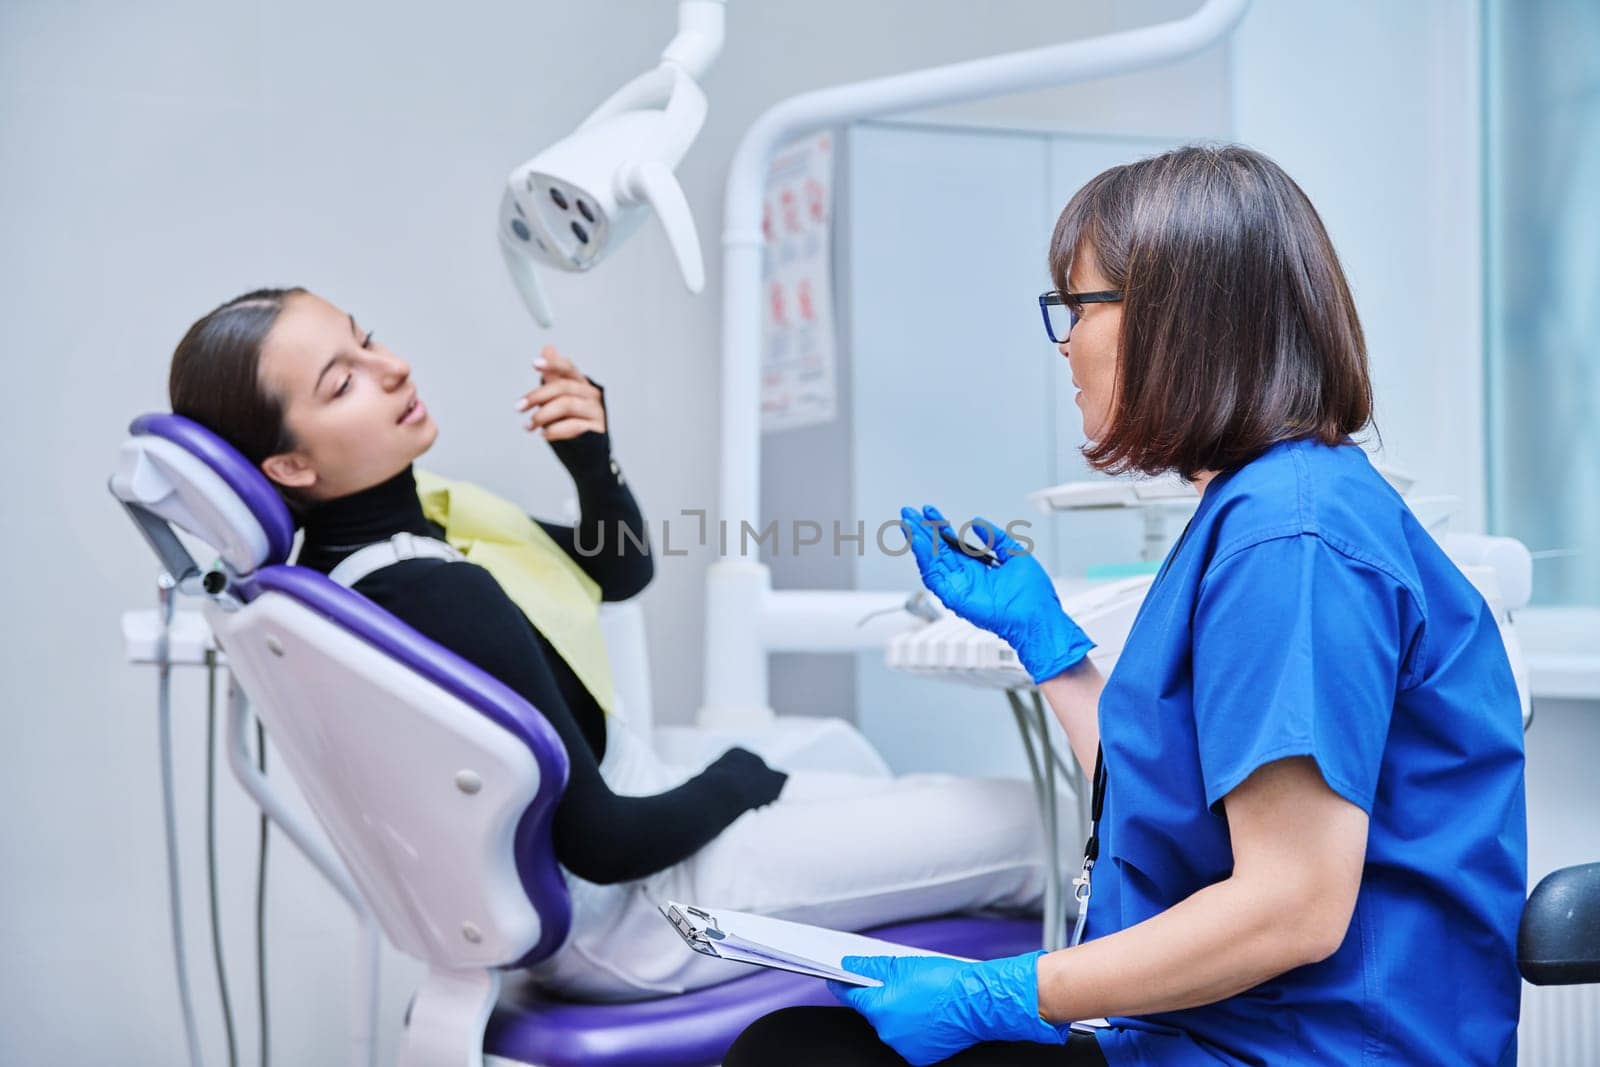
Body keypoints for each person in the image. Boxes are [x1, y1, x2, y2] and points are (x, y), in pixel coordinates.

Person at [725, 144, 1527, 1065]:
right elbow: (1189, 802)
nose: (1064, 341)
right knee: (800, 1043)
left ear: (1183, 320)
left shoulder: (1290, 537)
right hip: (1226, 1037)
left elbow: (1294, 903)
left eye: (1081, 306)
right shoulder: (1263, 507)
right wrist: (1050, 647)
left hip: (1314, 1049)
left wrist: (1006, 991)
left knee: (804, 1056)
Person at [165, 287, 1051, 1001]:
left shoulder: (380, 554)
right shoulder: (431, 589)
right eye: (343, 381)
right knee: (1039, 826)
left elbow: (614, 573)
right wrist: (741, 775)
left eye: (369, 340)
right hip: (646, 908)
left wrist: (594, 461)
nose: (392, 368)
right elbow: (604, 842)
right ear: (288, 466)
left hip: (623, 870)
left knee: (904, 787)